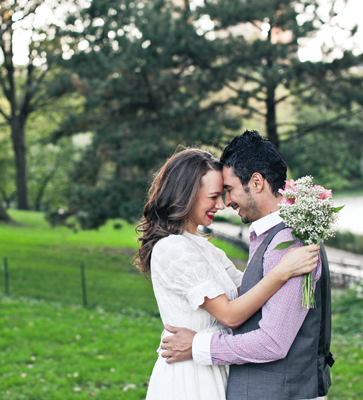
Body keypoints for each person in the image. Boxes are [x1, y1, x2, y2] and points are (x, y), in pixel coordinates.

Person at [135, 147, 320, 400]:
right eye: (213, 196)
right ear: (186, 195)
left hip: (215, 365)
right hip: (192, 376)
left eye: (224, 194)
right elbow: (230, 315)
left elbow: (248, 290)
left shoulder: (206, 249)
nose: (221, 204)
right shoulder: (173, 248)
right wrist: (282, 271)